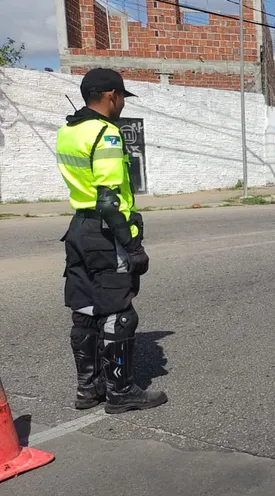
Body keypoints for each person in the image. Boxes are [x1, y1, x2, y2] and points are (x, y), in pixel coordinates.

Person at [56, 68, 167, 414]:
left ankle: (88, 389)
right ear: (110, 96)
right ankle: (121, 391)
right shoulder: (106, 134)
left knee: (85, 309)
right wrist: (132, 247)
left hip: (79, 228)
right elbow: (107, 199)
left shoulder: (67, 131)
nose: (120, 105)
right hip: (106, 230)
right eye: (120, 98)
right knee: (119, 313)